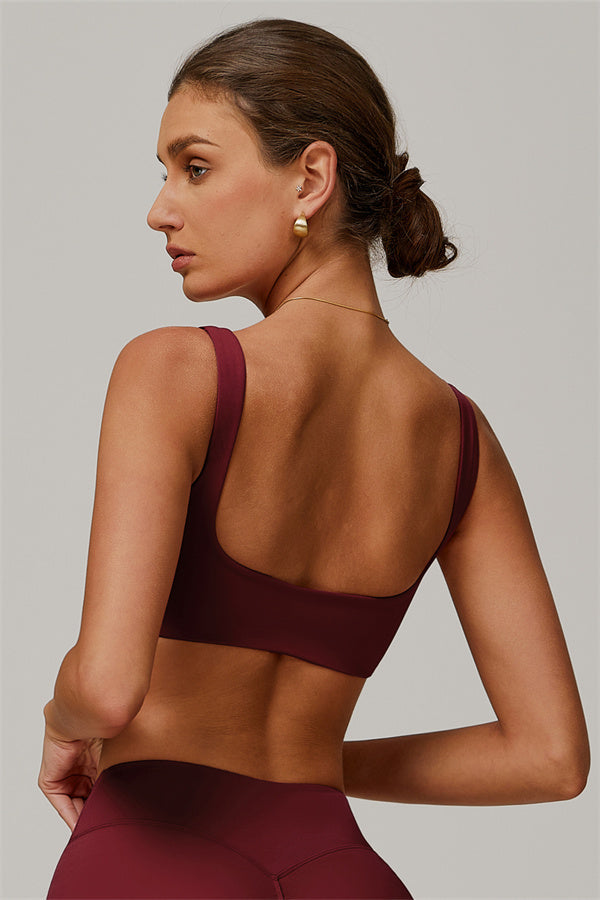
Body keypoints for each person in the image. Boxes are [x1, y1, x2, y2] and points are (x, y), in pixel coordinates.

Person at [39, 17, 590, 900]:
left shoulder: (175, 371)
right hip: (340, 870)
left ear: (311, 177)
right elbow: (549, 757)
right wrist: (316, 769)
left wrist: (59, 720)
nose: (159, 209)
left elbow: (106, 689)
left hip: (154, 857)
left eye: (194, 166)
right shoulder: (462, 440)